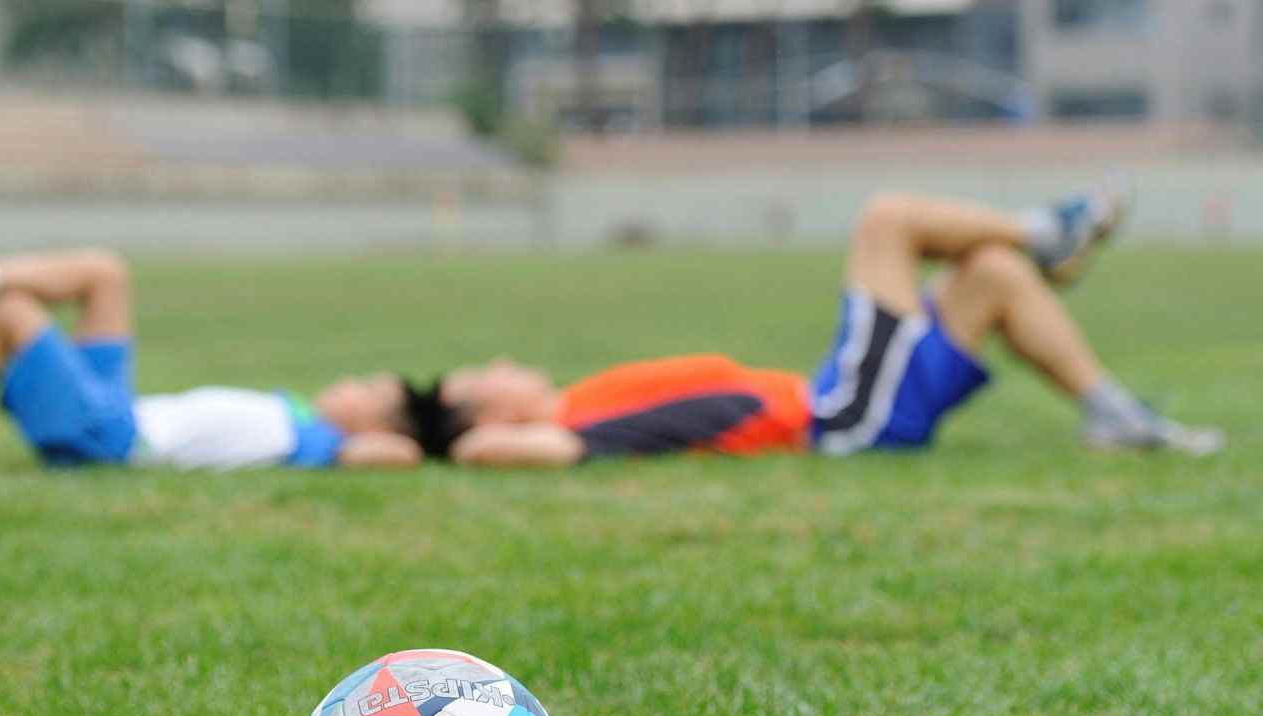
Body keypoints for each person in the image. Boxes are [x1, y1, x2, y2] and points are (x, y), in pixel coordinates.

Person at [412, 188, 1225, 466]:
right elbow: (489, 451)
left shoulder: (577, 398)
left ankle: (1113, 413)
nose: (507, 360)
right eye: (487, 375)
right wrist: (450, 439)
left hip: (844, 400)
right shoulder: (568, 426)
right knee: (887, 220)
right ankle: (1050, 230)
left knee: (990, 278)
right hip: (842, 417)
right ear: (494, 415)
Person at [0, 233, 424, 476]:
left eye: (367, 391)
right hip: (120, 408)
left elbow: (403, 455)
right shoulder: (297, 410)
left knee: (12, 313)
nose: (351, 381)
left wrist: (437, 426)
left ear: (373, 423)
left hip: (114, 439)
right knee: (106, 274)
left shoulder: (331, 445)